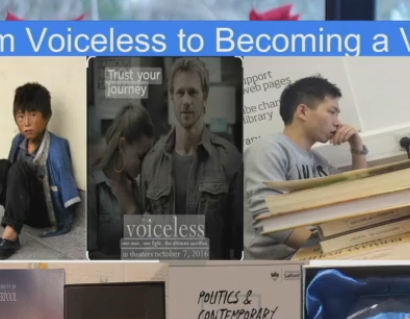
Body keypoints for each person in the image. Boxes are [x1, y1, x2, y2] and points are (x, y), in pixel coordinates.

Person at [243, 75, 369, 260]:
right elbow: (267, 217)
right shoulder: (268, 148)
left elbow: (356, 192)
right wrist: (332, 248)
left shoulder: (316, 160)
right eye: (332, 112)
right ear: (302, 112)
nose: (338, 122)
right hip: (279, 263)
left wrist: (356, 145)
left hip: (312, 254)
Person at [136, 57, 246, 259]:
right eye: (180, 92)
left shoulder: (229, 160)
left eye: (193, 92)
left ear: (205, 98)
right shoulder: (152, 162)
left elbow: (239, 244)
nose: (186, 100)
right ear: (172, 98)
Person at [0, 83, 84, 259]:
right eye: (21, 116)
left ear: (47, 117)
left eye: (33, 115)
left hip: (44, 214)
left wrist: (65, 220)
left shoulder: (57, 147)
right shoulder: (18, 141)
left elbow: (69, 195)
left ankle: (10, 237)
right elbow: (8, 176)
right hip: (22, 208)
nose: (26, 123)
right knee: (3, 164)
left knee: (18, 168)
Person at [86, 103, 159, 260]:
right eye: (141, 156)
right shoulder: (94, 188)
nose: (145, 164)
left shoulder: (138, 189)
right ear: (122, 145)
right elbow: (89, 255)